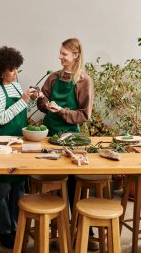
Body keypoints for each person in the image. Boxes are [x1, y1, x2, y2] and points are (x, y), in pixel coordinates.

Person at [37, 37, 98, 250]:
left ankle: (84, 231)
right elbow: (42, 102)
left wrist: (61, 111)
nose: (60, 56)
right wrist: (42, 101)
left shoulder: (84, 81)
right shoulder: (53, 77)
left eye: (64, 54)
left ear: (75, 56)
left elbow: (84, 115)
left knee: (73, 184)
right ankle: (56, 229)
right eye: (60, 53)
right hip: (48, 136)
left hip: (72, 138)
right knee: (52, 181)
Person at [0, 46, 36, 249]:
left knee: (19, 189)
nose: (16, 73)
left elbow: (21, 112)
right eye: (12, 69)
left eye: (16, 69)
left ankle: (17, 226)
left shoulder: (16, 86)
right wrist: (23, 100)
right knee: (2, 190)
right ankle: (4, 231)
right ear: (0, 71)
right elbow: (2, 118)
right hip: (2, 145)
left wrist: (30, 99)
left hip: (19, 143)